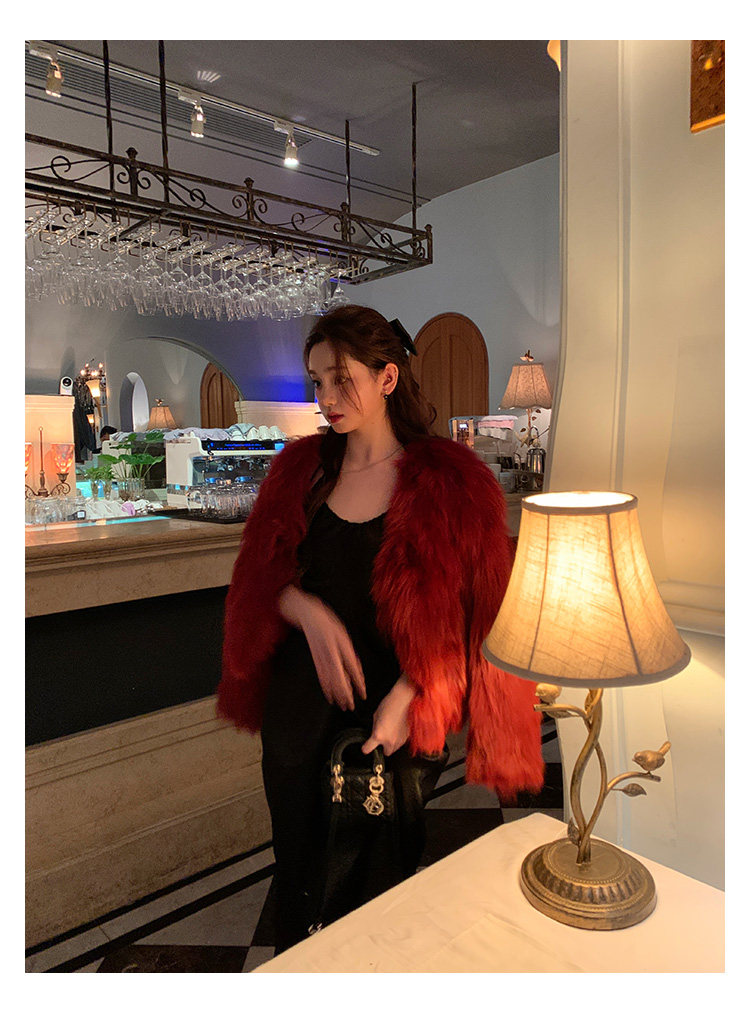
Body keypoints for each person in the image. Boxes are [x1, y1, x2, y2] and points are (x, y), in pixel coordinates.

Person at [218, 305, 544, 953]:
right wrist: (307, 612)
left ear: (388, 377)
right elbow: (257, 579)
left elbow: (481, 612)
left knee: (380, 886)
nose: (326, 398)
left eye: (342, 380)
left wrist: (412, 694)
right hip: (298, 716)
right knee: (300, 872)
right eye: (317, 382)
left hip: (397, 717)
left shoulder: (451, 481)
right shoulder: (301, 470)